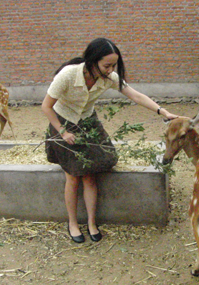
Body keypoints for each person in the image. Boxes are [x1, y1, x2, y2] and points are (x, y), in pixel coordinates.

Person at [42, 38, 180, 243]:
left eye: (113, 65)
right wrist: (62, 131)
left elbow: (135, 95)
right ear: (92, 61)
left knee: (91, 174)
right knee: (73, 176)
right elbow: (46, 106)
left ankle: (91, 222)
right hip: (62, 123)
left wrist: (162, 111)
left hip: (88, 123)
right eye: (107, 65)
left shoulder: (108, 77)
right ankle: (72, 222)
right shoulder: (68, 75)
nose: (110, 70)